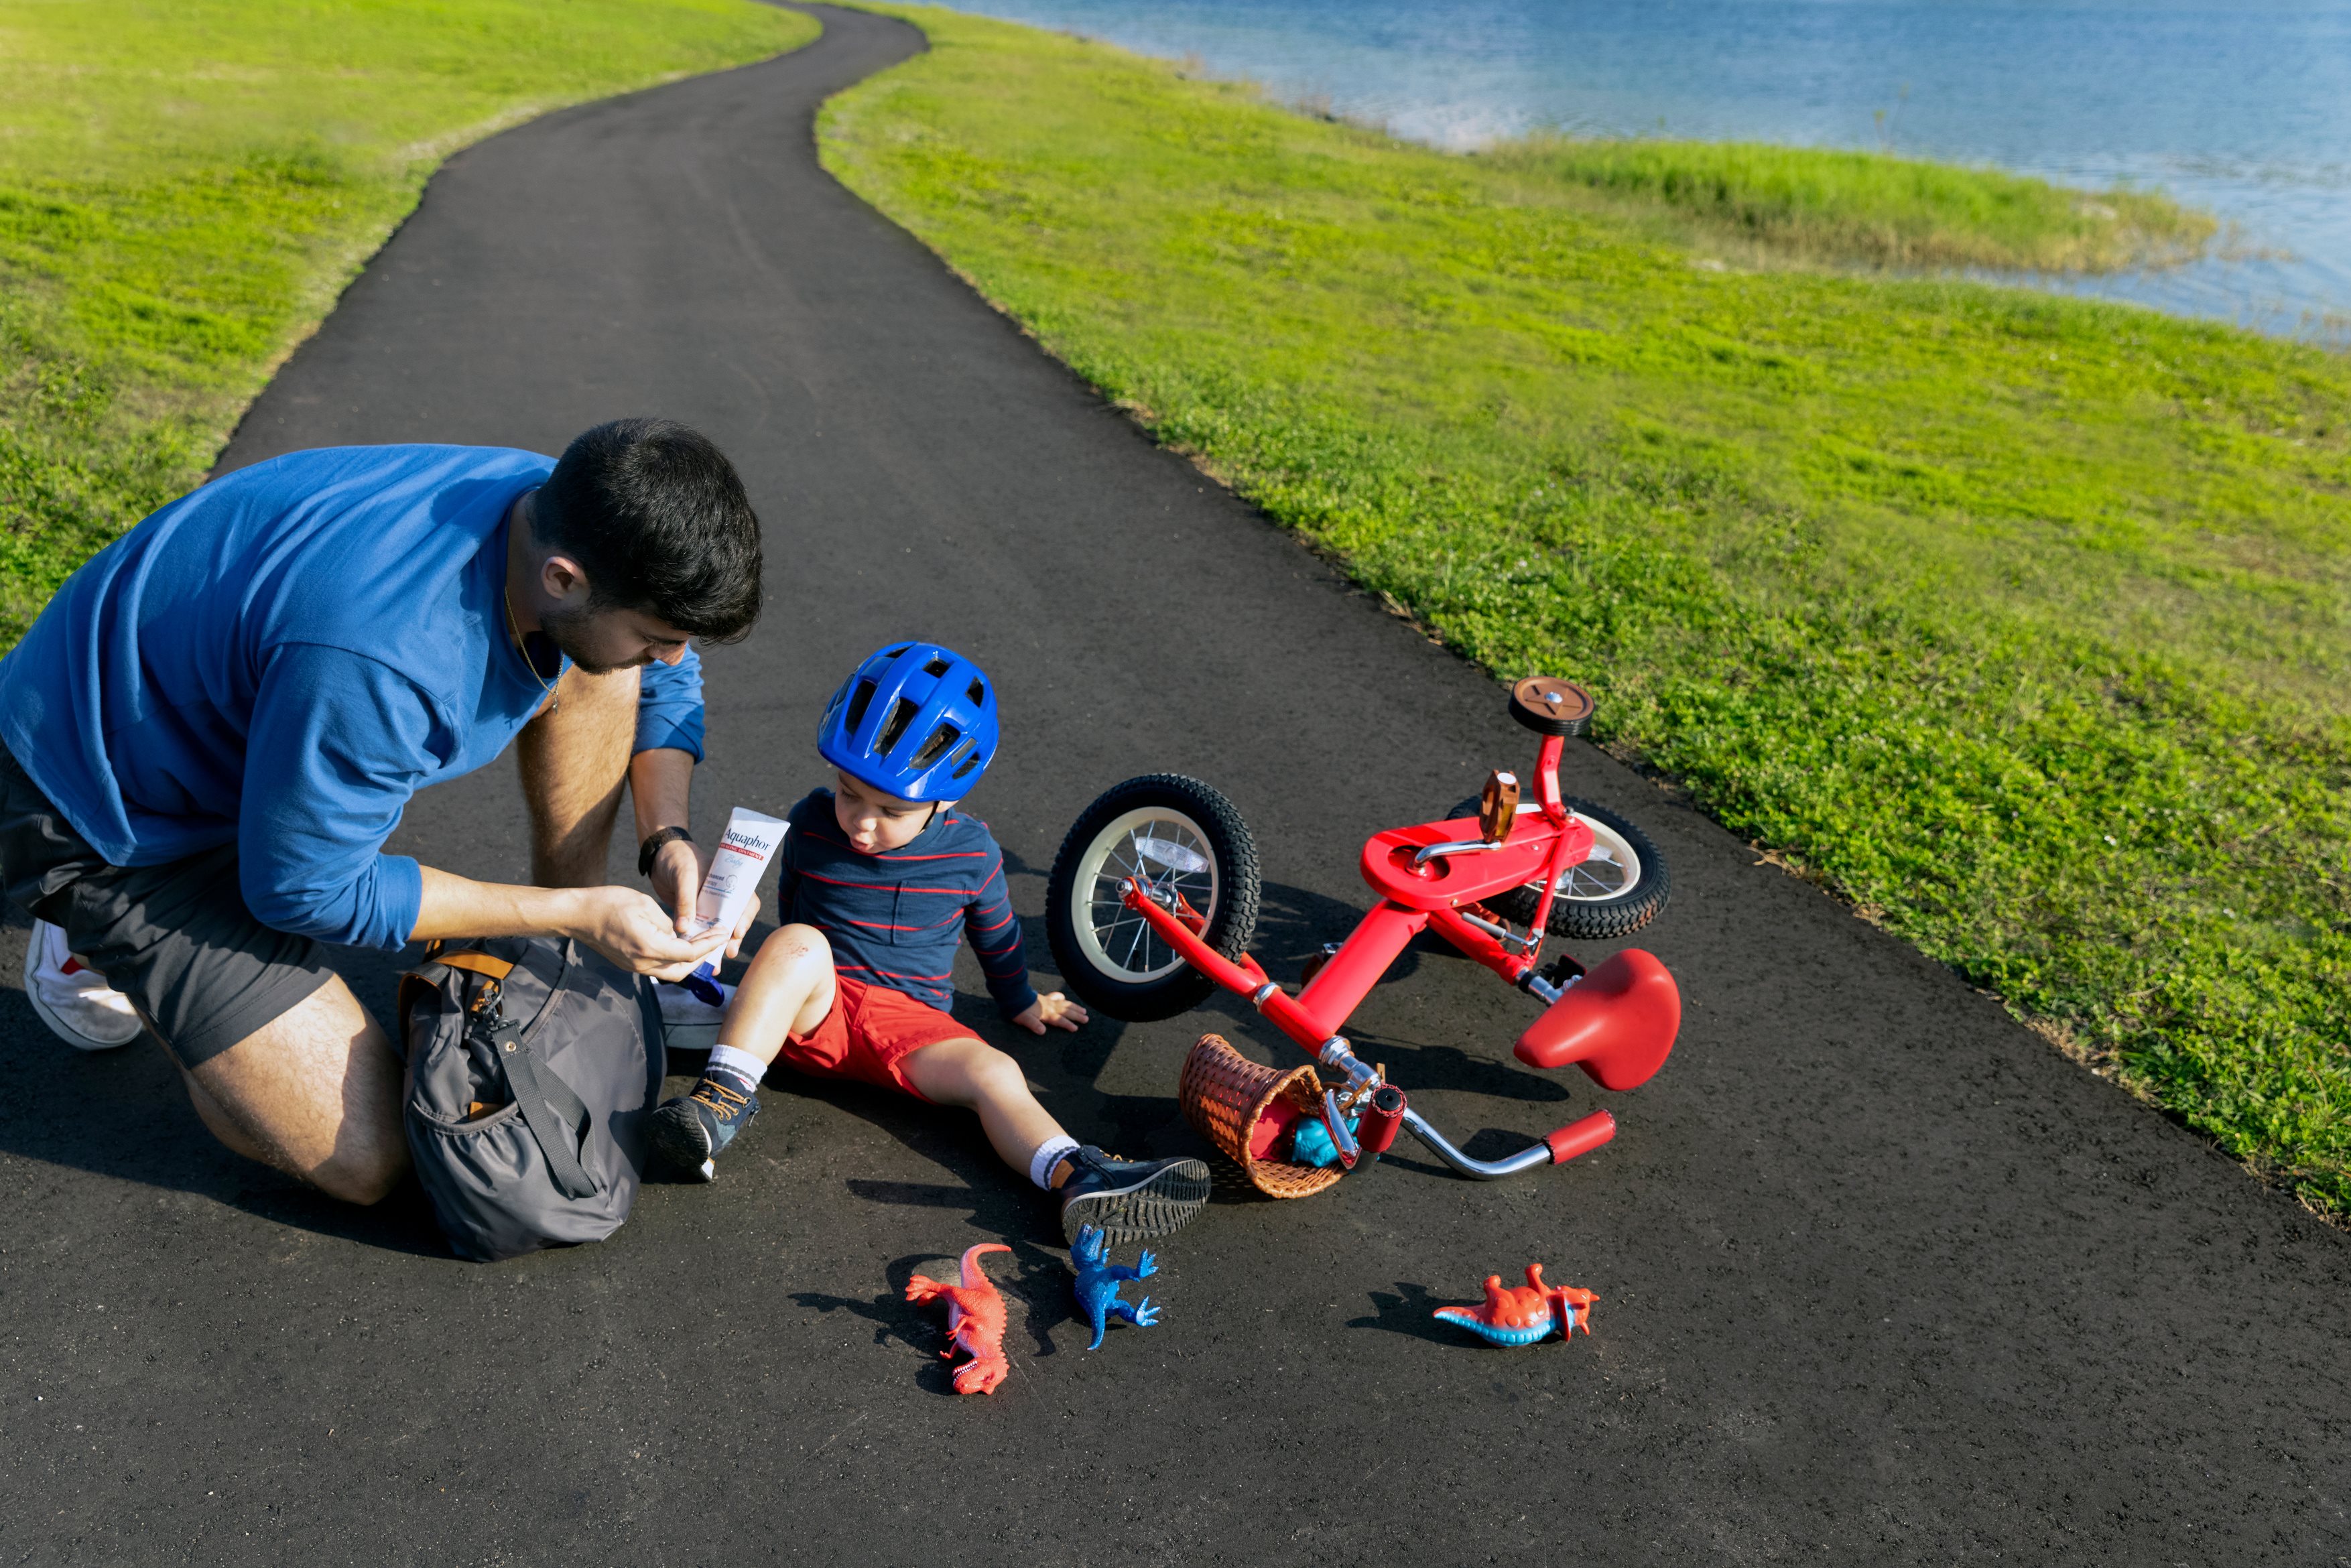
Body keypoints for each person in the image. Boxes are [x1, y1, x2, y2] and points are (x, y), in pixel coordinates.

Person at [1, 419, 765, 1203]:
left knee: (602, 660)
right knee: (368, 1155)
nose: (672, 654)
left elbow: (663, 674)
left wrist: (664, 839)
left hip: (247, 716)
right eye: (661, 636)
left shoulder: (569, 510)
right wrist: (570, 911)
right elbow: (304, 891)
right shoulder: (386, 657)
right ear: (564, 577)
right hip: (104, 810)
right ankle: (101, 942)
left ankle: (572, 966)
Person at [649, 641, 1212, 1244]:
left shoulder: (971, 853)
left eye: (891, 809)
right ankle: (719, 1105)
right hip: (821, 1007)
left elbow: (996, 934)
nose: (861, 821)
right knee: (796, 941)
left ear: (947, 796)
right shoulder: (812, 822)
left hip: (913, 1028)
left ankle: (1076, 1174)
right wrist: (777, 977)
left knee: (994, 1071)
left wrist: (1021, 1000)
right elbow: (794, 910)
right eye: (847, 792)